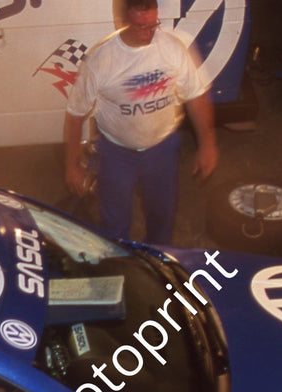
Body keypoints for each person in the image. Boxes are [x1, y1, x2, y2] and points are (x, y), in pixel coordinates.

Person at [62, 0, 217, 244]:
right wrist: (72, 164)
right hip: (115, 153)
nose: (148, 33)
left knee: (162, 218)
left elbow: (196, 97)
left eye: (152, 24)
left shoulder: (172, 49)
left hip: (162, 150)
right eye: (139, 26)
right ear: (122, 22)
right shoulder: (101, 59)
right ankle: (122, 266)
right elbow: (75, 114)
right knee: (114, 224)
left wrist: (207, 144)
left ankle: (158, 263)